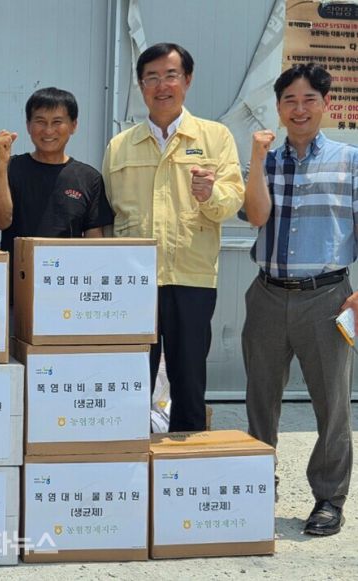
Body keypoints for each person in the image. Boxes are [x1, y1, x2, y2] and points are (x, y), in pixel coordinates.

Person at [102, 42, 244, 432]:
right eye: (151, 78)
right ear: (140, 86)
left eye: (170, 75)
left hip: (191, 277)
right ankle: (131, 460)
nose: (161, 85)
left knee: (188, 380)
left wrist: (209, 194)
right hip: (134, 281)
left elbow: (233, 200)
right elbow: (112, 211)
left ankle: (186, 468)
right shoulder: (120, 146)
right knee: (131, 378)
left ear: (187, 80)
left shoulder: (215, 138)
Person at [242, 63, 356, 536]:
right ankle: (253, 485)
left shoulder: (349, 161)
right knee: (259, 398)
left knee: (331, 404)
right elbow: (252, 217)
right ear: (279, 107)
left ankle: (329, 499)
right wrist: (252, 161)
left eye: (310, 99)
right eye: (290, 100)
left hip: (328, 296)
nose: (300, 108)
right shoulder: (263, 158)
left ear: (326, 105)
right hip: (267, 294)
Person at [0, 87, 114, 270]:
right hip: (18, 282)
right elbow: (0, 221)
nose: (48, 131)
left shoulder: (89, 178)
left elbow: (94, 239)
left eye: (57, 122)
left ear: (73, 125)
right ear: (28, 125)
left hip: (68, 283)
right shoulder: (8, 168)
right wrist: (0, 162)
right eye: (40, 121)